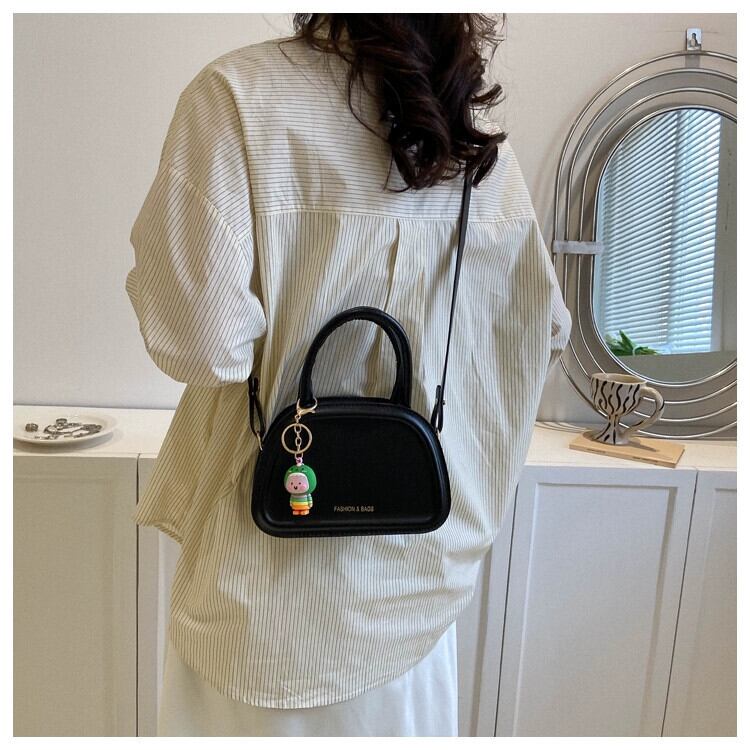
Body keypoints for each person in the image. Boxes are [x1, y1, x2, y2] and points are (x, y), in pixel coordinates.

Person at [126, 13, 572, 737]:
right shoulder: (463, 131)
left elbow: (202, 345)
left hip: (264, 600)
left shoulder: (236, 96)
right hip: (414, 593)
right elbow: (541, 329)